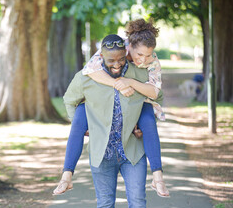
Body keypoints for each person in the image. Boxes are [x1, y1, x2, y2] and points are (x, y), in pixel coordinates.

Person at [54, 19, 169, 198]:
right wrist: (118, 84)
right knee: (79, 118)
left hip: (140, 102)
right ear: (129, 46)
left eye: (148, 55)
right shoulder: (112, 47)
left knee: (147, 120)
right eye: (139, 54)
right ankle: (66, 175)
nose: (143, 60)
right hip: (102, 104)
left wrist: (129, 82)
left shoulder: (152, 62)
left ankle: (158, 177)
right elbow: (89, 71)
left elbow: (155, 92)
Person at [62, 34, 149, 208]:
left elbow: (155, 96)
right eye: (111, 60)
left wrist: (143, 121)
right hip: (102, 154)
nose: (117, 64)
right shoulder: (86, 77)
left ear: (126, 53)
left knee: (137, 200)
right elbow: (69, 100)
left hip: (133, 151)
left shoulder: (138, 73)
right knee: (105, 203)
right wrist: (83, 126)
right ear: (101, 56)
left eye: (120, 59)